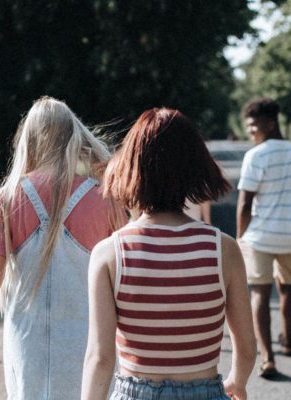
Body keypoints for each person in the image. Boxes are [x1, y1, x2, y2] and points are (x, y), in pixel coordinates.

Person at [0, 96, 126, 400]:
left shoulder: (6, 199)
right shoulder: (105, 199)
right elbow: (127, 275)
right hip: (90, 344)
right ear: (71, 135)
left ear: (29, 139)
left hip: (26, 342)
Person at [82, 108, 256, 400]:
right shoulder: (222, 248)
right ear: (196, 168)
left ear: (130, 168)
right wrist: (237, 381)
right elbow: (247, 347)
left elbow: (100, 358)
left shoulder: (110, 253)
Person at [236, 97, 291, 377]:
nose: (251, 132)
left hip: (260, 237)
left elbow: (244, 204)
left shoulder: (255, 156)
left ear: (270, 123)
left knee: (259, 293)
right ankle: (289, 340)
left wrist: (239, 236)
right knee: (289, 289)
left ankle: (267, 357)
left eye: (254, 126)